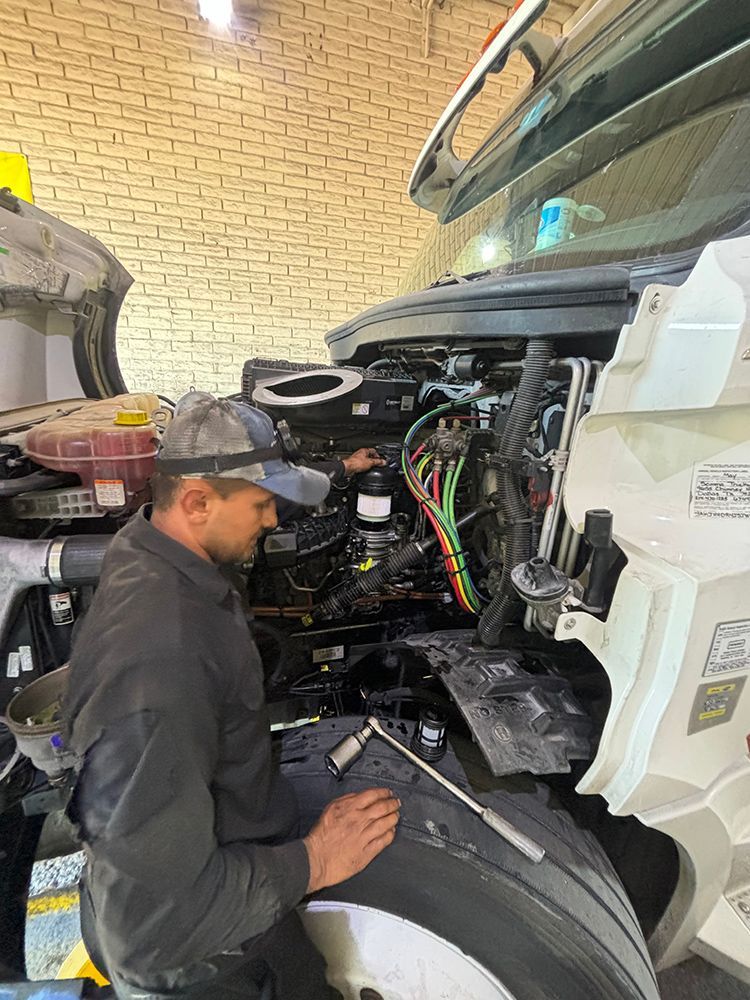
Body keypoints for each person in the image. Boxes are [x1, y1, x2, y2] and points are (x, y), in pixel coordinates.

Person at [64, 394, 400, 999]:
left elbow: (244, 500)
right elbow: (149, 928)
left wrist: (342, 470)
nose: (272, 521)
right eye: (262, 505)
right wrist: (316, 860)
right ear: (197, 501)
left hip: (216, 847)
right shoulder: (161, 660)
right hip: (206, 962)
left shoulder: (148, 542)